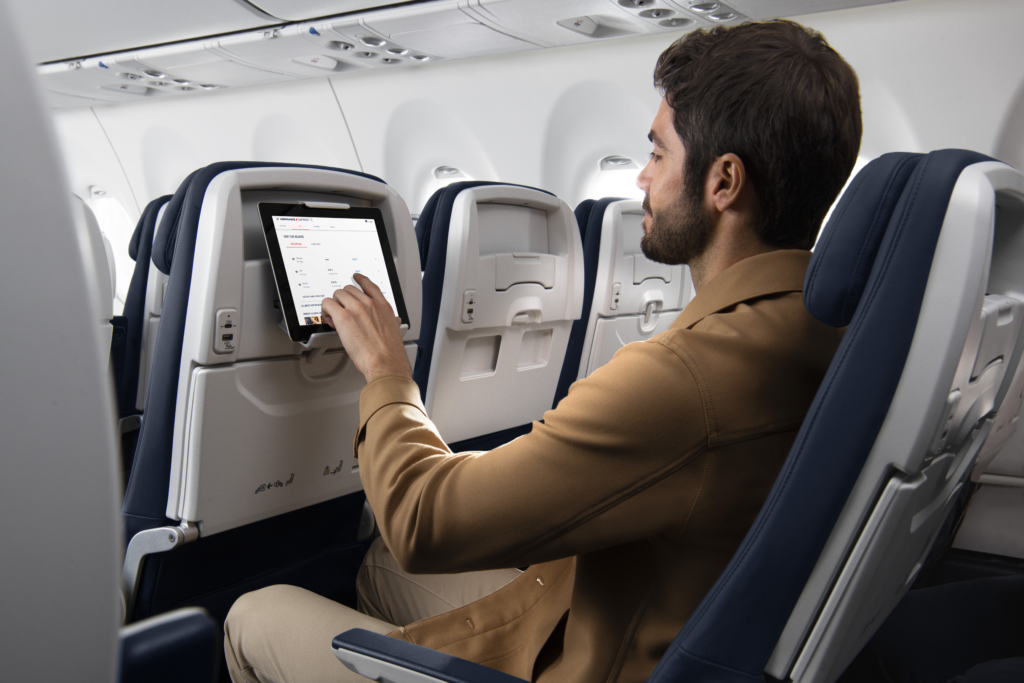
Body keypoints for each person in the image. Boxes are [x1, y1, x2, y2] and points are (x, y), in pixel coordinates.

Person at [224, 18, 861, 683]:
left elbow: (418, 520)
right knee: (380, 565)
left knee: (253, 614)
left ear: (724, 181)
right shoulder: (827, 333)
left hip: (593, 664)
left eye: (659, 153)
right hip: (633, 622)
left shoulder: (681, 377)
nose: (642, 178)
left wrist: (387, 372)